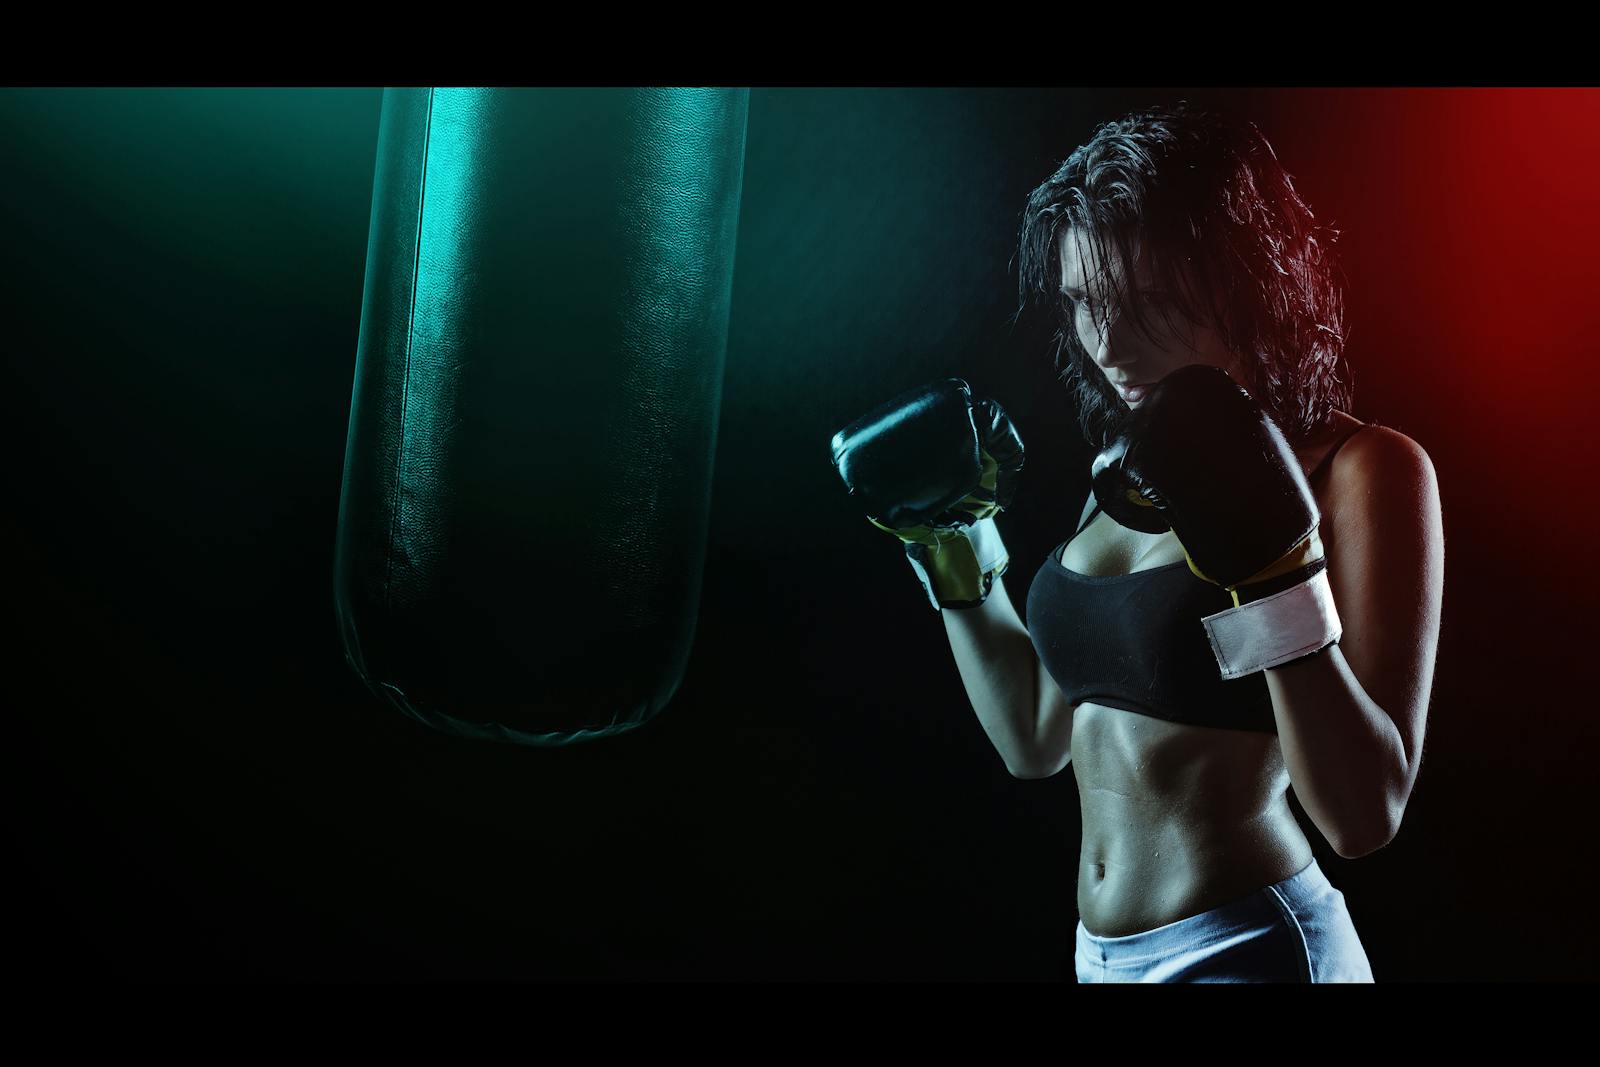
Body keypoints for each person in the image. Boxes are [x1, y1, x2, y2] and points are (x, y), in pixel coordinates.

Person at [831, 102, 1444, 982]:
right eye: (1086, 302)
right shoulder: (1127, 467)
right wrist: (953, 539)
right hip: (1099, 957)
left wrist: (1278, 578)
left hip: (1252, 947)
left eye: (1147, 302)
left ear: (1242, 282)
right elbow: (1035, 736)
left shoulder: (1361, 468)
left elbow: (1364, 813)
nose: (1110, 343)